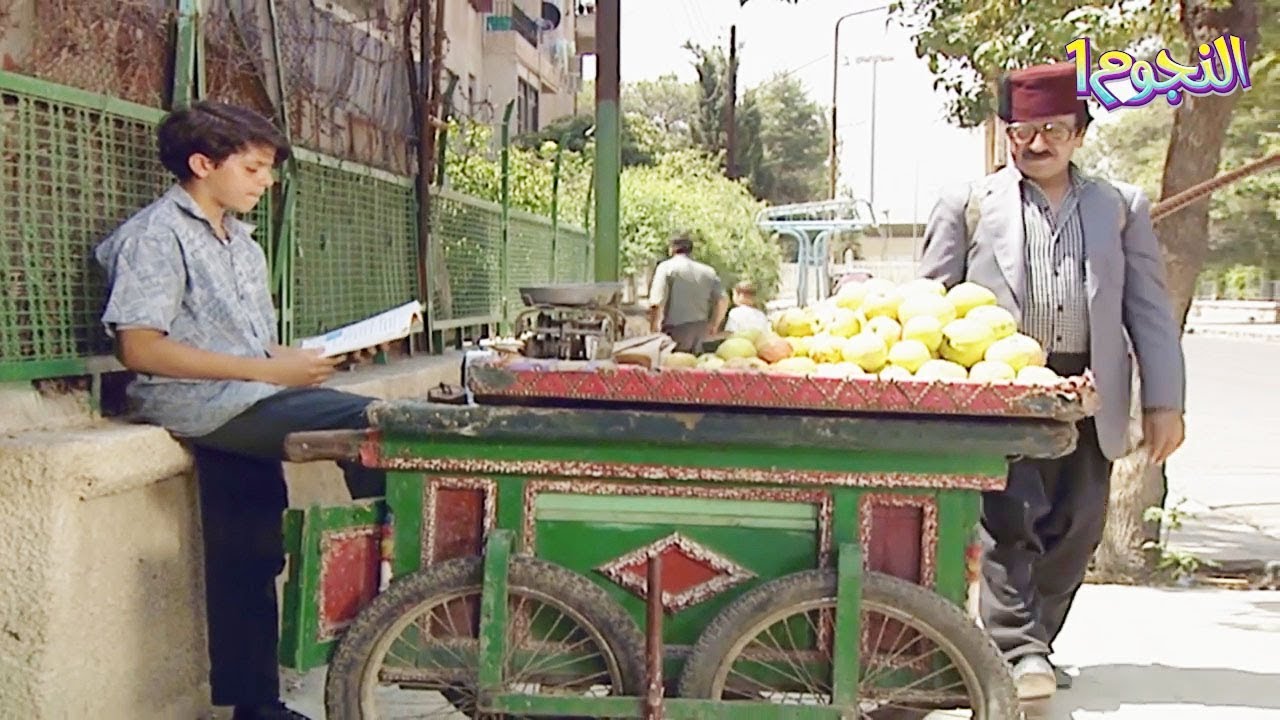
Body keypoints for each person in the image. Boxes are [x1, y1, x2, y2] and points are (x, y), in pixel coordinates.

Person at [94, 100, 385, 720]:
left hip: (248, 397)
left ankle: (255, 706)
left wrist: (306, 358)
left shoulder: (241, 242)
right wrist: (270, 371)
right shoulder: (156, 236)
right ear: (203, 164)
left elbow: (246, 346)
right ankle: (398, 562)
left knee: (249, 549)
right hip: (200, 403)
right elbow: (139, 346)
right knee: (377, 424)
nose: (266, 181)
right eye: (253, 169)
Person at [917, 62, 1186, 701]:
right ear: (1005, 133)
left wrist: (1164, 401)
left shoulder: (1120, 206)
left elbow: (1148, 307)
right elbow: (930, 301)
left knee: (1077, 525)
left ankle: (1036, 642)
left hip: (1092, 388)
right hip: (1001, 386)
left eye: (1053, 131)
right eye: (1022, 132)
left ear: (1080, 134)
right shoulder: (970, 203)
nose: (1037, 144)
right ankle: (1019, 650)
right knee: (1011, 518)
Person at [647, 234, 729, 352]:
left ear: (672, 248)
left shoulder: (666, 268)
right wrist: (714, 324)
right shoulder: (708, 271)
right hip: (702, 331)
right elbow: (723, 300)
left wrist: (654, 329)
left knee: (676, 366)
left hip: (676, 332)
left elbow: (656, 302)